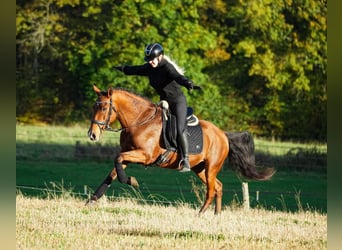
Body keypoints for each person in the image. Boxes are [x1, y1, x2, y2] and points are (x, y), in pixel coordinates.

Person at [113, 43, 201, 172]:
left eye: (153, 59)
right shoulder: (150, 67)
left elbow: (177, 76)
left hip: (177, 102)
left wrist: (187, 83)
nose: (151, 62)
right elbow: (135, 70)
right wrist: (122, 68)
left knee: (179, 129)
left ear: (160, 57)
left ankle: (185, 159)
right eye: (149, 60)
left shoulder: (167, 67)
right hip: (164, 102)